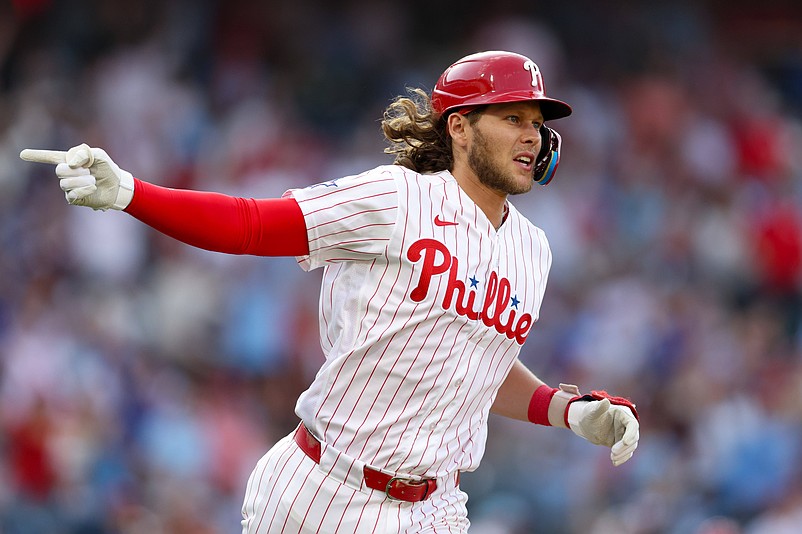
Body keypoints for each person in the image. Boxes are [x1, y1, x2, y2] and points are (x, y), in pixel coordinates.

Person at [21, 50, 640, 534]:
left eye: (537, 124)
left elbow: (480, 366)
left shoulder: (535, 250)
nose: (533, 136)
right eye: (513, 119)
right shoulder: (398, 199)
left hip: (435, 504)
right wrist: (132, 192)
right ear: (460, 127)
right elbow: (252, 223)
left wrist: (568, 410)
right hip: (324, 490)